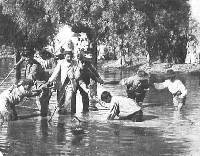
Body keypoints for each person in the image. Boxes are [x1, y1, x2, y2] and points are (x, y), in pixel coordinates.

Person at [15, 48, 51, 117]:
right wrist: (18, 64)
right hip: (37, 86)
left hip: (42, 87)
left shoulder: (35, 65)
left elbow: (30, 79)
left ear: (31, 56)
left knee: (42, 107)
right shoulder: (29, 63)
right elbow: (22, 59)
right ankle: (44, 118)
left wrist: (20, 85)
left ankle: (45, 120)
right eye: (25, 57)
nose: (26, 59)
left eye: (28, 57)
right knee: (40, 106)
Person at [46, 49, 80, 115]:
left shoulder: (75, 63)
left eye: (70, 56)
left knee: (68, 99)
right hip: (61, 84)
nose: (69, 58)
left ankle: (66, 113)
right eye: (68, 56)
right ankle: (60, 115)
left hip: (71, 84)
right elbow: (55, 72)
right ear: (64, 56)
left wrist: (73, 76)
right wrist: (50, 81)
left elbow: (78, 73)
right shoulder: (61, 62)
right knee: (60, 100)